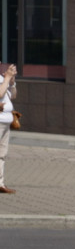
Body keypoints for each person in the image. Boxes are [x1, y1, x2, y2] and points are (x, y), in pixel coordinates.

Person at [0, 63, 18, 194]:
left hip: (6, 121)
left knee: (2, 154)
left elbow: (13, 96)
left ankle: (0, 183)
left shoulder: (2, 78)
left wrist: (12, 82)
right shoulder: (2, 78)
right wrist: (7, 78)